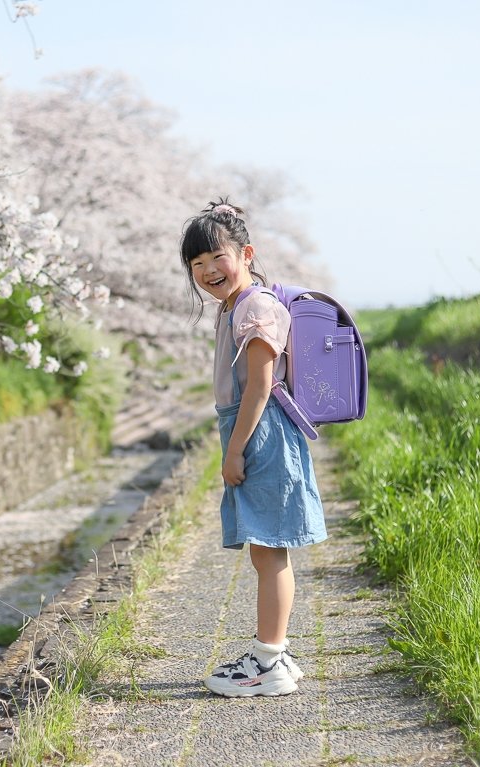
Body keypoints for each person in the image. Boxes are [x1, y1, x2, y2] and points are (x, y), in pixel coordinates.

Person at [179, 199, 327, 697]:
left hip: (261, 432)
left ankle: (269, 660)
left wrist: (235, 450)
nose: (206, 271)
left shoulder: (258, 306)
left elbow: (260, 389)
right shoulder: (234, 306)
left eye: (215, 258)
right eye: (196, 265)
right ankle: (276, 651)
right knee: (266, 551)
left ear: (245, 253)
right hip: (250, 429)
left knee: (270, 550)